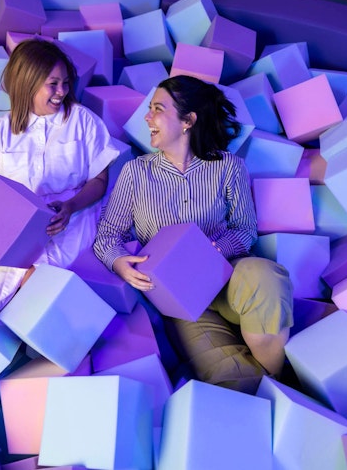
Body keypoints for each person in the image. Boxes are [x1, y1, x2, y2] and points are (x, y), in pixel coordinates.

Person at [93, 75, 293, 394]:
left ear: (188, 120)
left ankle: (283, 385)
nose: (147, 117)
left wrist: (213, 249)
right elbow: (106, 236)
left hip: (229, 277)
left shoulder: (229, 167)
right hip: (181, 302)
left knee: (266, 277)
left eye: (157, 109)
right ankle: (266, 394)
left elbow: (245, 229)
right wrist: (120, 264)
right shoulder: (135, 172)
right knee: (235, 381)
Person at [0, 38, 119, 329]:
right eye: (53, 84)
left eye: (65, 82)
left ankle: (26, 340)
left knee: (46, 284)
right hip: (16, 225)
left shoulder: (84, 122)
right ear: (28, 85)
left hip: (73, 217)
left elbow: (99, 181)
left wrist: (70, 207)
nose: (62, 92)